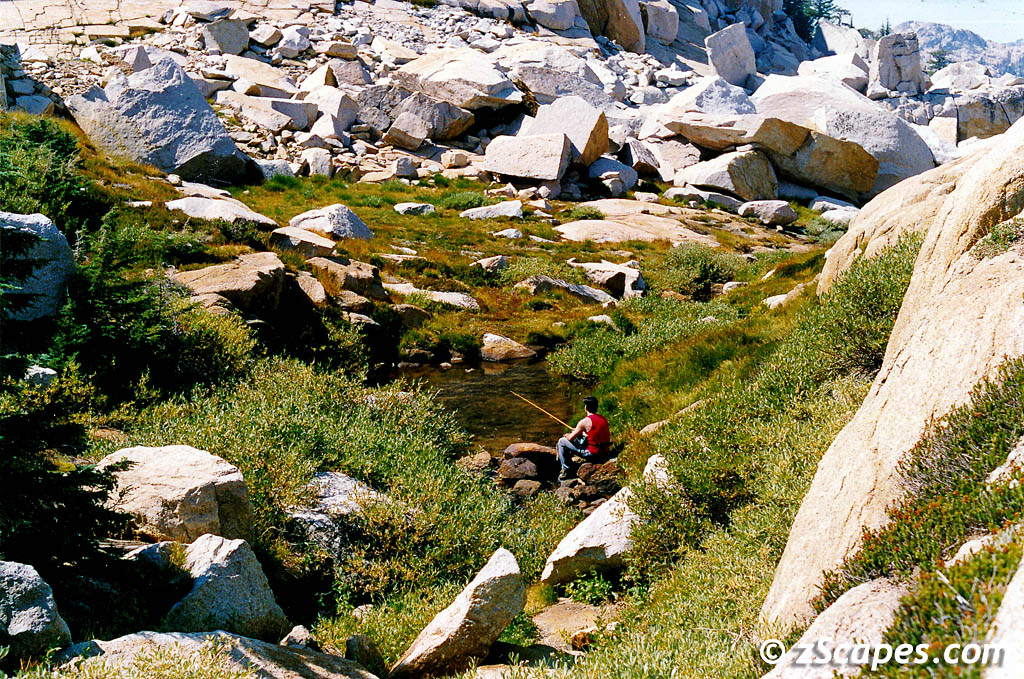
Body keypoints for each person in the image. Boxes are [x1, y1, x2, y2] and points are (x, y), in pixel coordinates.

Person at [557, 395, 610, 482]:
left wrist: (567, 435)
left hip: (593, 453)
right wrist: (582, 433)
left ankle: (567, 470)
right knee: (579, 437)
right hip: (605, 451)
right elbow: (595, 434)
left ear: (586, 407)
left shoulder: (584, 422)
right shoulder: (603, 419)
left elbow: (570, 438)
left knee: (562, 442)